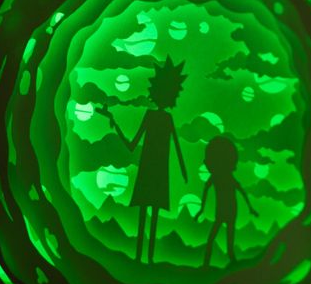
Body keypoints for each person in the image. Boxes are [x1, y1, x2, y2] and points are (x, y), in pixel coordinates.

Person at [104, 57, 187, 262]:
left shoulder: (161, 118)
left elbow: (171, 145)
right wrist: (114, 122)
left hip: (156, 173)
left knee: (148, 216)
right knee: (149, 215)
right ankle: (144, 258)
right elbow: (137, 145)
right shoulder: (158, 117)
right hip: (152, 172)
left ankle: (145, 258)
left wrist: (184, 169)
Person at [199, 135, 258, 266]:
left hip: (228, 211)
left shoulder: (221, 178)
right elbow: (207, 191)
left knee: (221, 240)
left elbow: (241, 192)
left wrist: (250, 208)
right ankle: (208, 264)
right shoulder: (219, 178)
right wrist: (201, 209)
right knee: (218, 239)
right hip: (225, 212)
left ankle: (216, 263)